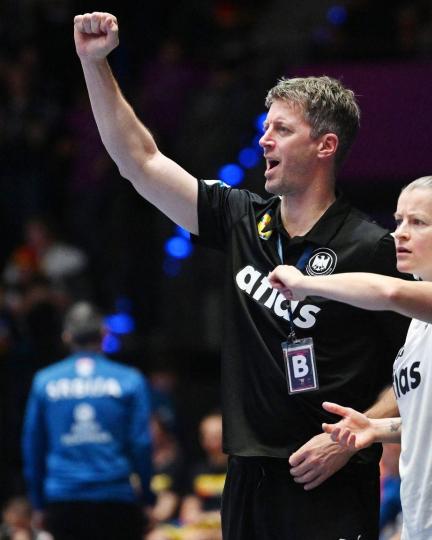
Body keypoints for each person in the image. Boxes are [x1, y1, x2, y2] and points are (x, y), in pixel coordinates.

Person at [73, 12, 409, 539]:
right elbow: (139, 160)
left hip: (329, 477)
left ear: (326, 146)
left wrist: (353, 436)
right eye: (264, 127)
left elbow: (413, 369)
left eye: (281, 129)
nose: (264, 141)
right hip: (247, 475)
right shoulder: (241, 219)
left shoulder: (370, 247)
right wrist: (95, 65)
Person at [268, 175, 432, 540]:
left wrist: (306, 283)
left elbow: (388, 291)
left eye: (418, 222)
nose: (399, 234)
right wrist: (377, 429)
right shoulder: (420, 326)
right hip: (428, 524)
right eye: (398, 221)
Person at [21, 301, 154, 540]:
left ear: (67, 336)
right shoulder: (130, 379)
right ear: (104, 335)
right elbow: (141, 443)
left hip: (63, 498)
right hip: (115, 498)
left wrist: (38, 503)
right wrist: (146, 497)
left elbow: (33, 446)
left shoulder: (44, 381)